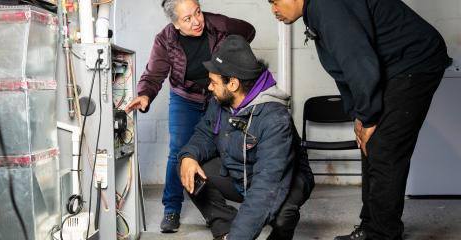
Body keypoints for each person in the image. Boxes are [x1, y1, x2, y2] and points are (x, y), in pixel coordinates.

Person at [267, 0, 451, 239]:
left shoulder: (326, 6)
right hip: (391, 66)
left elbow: (359, 62)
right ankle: (370, 227)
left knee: (384, 147)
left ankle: (383, 233)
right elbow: (344, 69)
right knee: (370, 145)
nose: (274, 10)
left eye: (274, 1)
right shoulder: (316, 12)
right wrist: (359, 115)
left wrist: (369, 117)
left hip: (414, 61)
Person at [124, 0, 256, 233]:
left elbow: (249, 31)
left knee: (221, 147)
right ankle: (172, 208)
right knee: (179, 151)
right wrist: (144, 95)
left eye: (198, 12)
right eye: (187, 18)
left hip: (218, 97)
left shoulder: (219, 24)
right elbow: (154, 73)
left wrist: (234, 56)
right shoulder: (165, 39)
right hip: (185, 98)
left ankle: (215, 211)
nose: (196, 21)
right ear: (175, 24)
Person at [178, 35, 315, 240]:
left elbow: (267, 186)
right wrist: (188, 156)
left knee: (282, 215)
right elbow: (204, 134)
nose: (209, 87)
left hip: (281, 179)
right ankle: (225, 228)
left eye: (213, 82)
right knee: (187, 168)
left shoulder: (275, 119)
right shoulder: (220, 101)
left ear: (233, 84)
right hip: (240, 173)